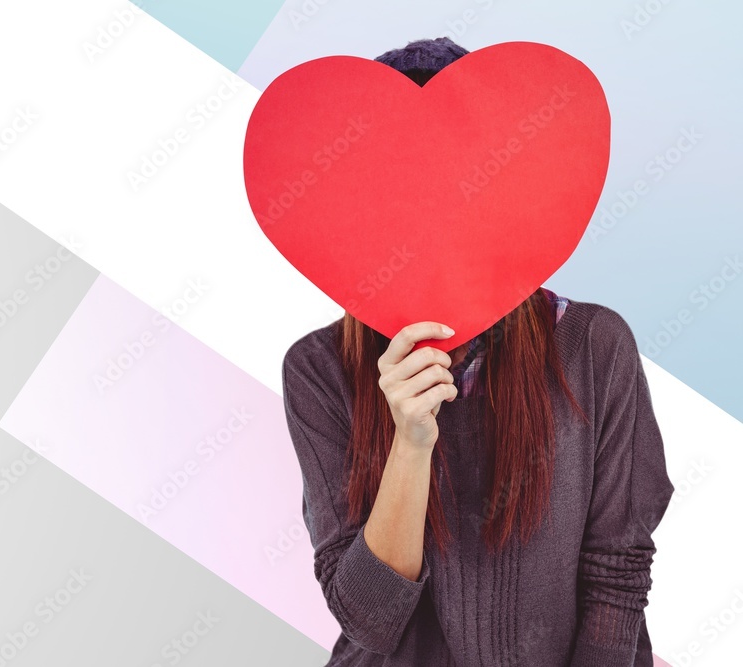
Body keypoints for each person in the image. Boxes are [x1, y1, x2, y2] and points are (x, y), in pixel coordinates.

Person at [280, 37, 675, 667]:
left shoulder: (594, 347)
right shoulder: (319, 368)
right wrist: (409, 443)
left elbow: (617, 578)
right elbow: (368, 621)